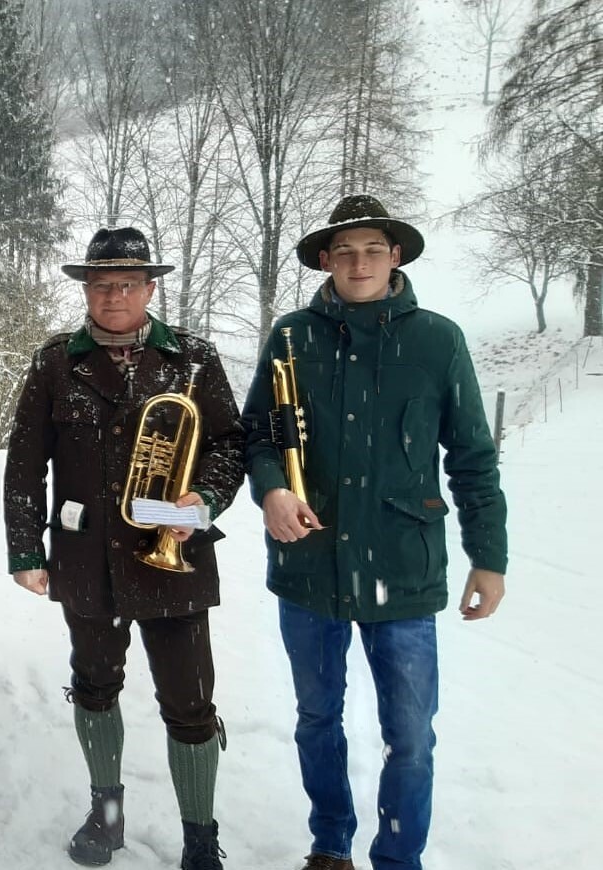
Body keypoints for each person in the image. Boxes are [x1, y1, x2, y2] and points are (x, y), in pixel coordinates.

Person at [241, 195, 508, 870]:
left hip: (404, 569)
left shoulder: (437, 340)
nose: (358, 263)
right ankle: (329, 844)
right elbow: (256, 435)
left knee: (411, 737)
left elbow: (471, 457)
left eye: (373, 249)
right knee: (316, 720)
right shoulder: (292, 336)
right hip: (310, 567)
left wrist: (489, 556)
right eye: (345, 251)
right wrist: (270, 488)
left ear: (395, 257)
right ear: (325, 261)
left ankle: (397, 858)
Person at [3, 227, 242, 869]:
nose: (114, 296)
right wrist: (25, 551)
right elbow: (25, 464)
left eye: (128, 284)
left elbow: (228, 446)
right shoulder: (55, 362)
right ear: (86, 288)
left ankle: (199, 838)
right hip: (87, 563)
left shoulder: (193, 358)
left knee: (191, 706)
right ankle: (106, 819)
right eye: (102, 284)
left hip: (176, 560)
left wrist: (205, 502)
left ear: (150, 288)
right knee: (95, 689)